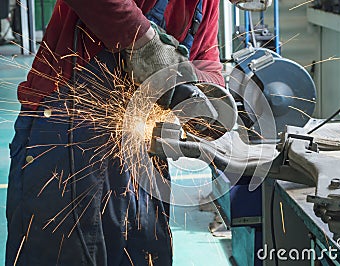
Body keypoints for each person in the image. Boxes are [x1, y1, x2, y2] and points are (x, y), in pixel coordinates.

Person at [6, 0, 223, 265]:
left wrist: (204, 98)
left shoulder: (207, 4)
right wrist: (143, 41)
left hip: (142, 153)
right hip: (66, 139)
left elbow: (208, 64)